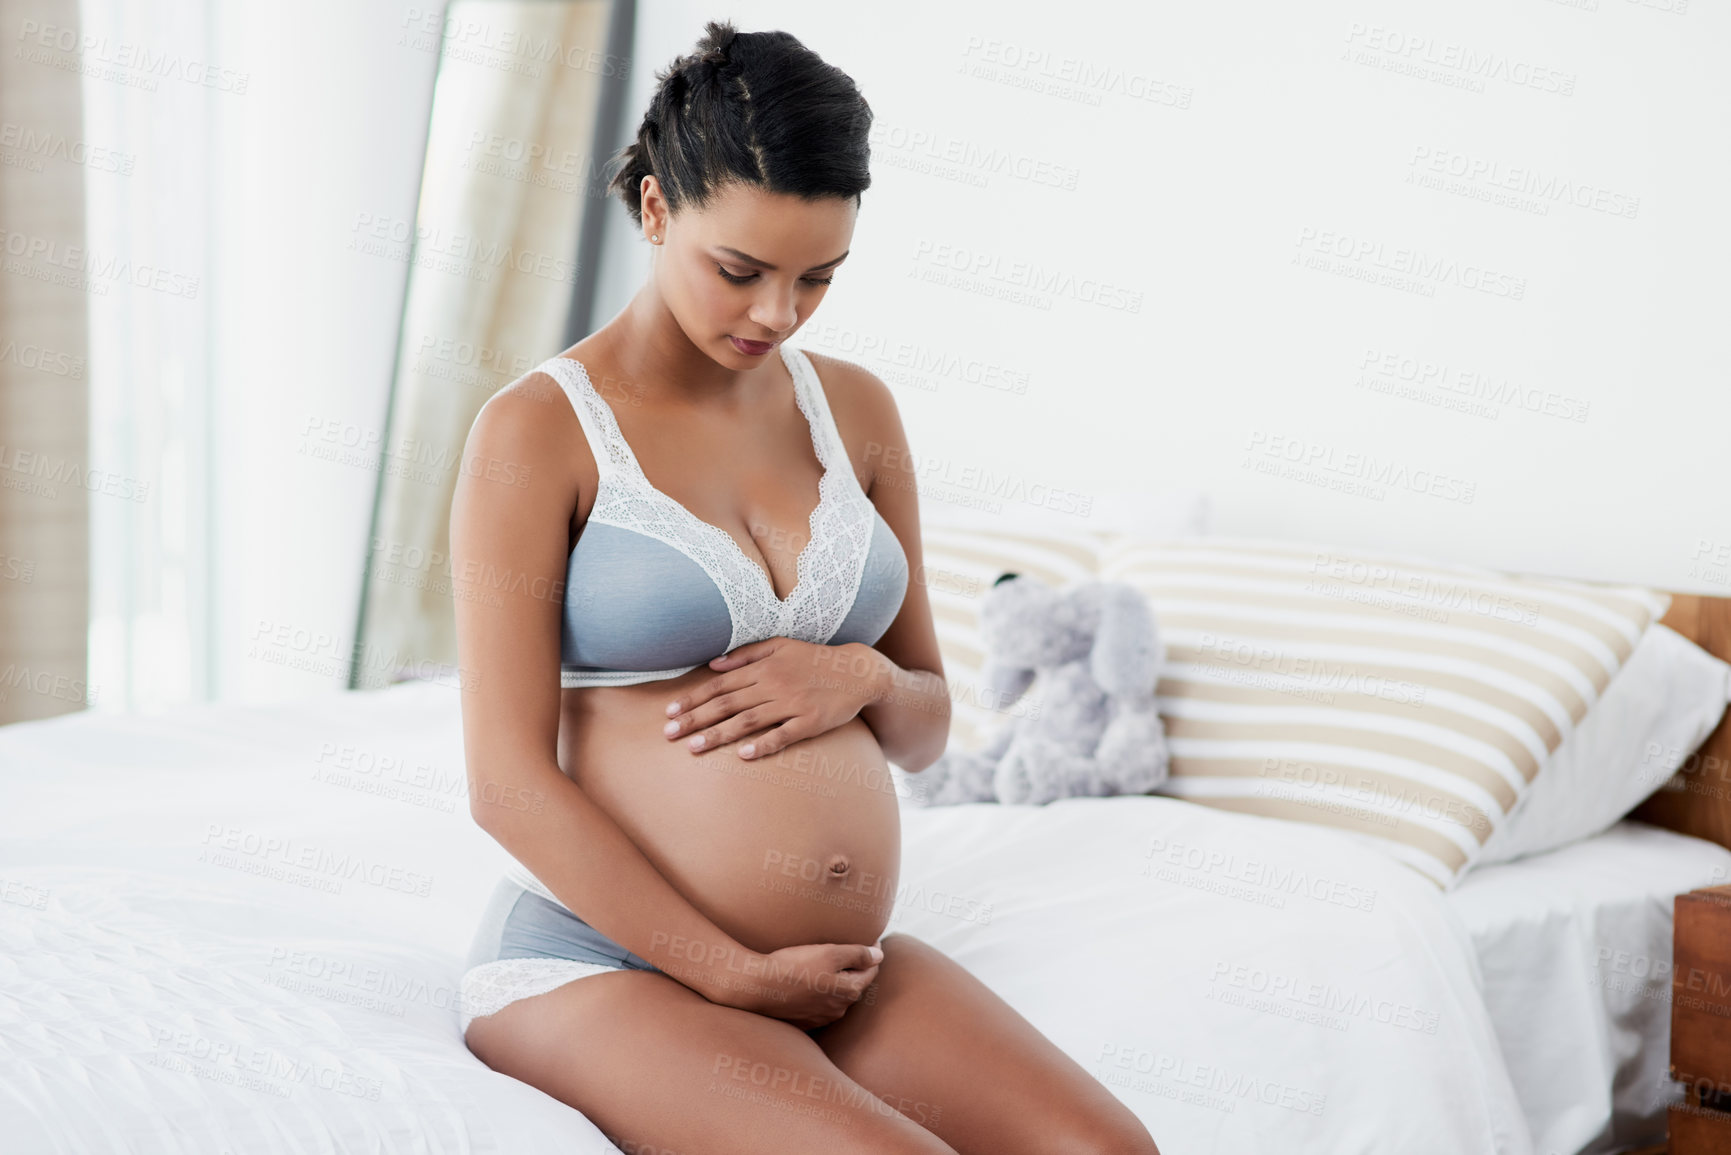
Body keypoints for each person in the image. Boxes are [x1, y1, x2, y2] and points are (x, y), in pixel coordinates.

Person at [449, 19, 1161, 1154]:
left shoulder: (860, 413)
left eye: (817, 279)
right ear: (655, 213)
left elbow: (926, 730)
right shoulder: (537, 433)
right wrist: (729, 971)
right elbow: (506, 783)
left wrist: (859, 673)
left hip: (834, 972)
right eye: (740, 272)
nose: (776, 315)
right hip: (603, 964)